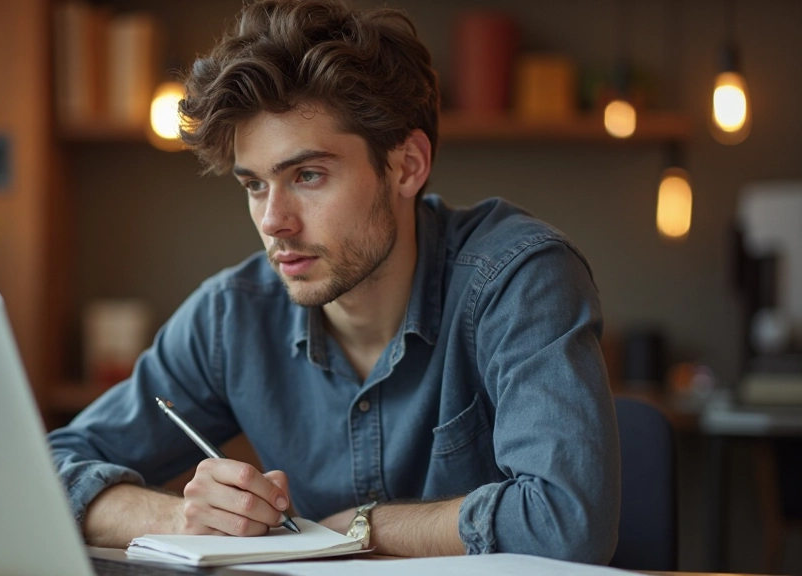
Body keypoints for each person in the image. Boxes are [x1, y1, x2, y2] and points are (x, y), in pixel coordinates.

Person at [48, 0, 619, 563]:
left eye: (309, 175)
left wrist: (366, 528)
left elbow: (566, 521)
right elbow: (48, 468)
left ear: (407, 165)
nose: (274, 222)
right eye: (254, 185)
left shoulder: (517, 278)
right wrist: (182, 518)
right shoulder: (233, 315)